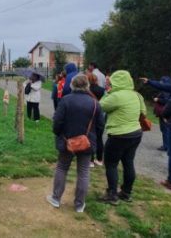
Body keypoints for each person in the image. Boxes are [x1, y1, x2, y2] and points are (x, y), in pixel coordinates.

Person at [47, 74, 105, 213]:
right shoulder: (95, 103)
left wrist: (58, 134)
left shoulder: (66, 100)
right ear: (87, 86)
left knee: (62, 168)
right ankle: (79, 205)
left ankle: (56, 198)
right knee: (83, 173)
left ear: (72, 85)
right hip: (87, 142)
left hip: (67, 141)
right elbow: (100, 125)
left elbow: (57, 121)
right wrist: (94, 138)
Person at [98, 70, 145, 205]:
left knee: (111, 164)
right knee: (128, 162)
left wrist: (107, 92)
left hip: (119, 135)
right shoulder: (136, 95)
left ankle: (112, 194)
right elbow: (143, 112)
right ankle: (126, 192)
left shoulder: (116, 96)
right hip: (136, 133)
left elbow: (101, 106)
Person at [140, 76, 171, 151]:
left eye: (162, 82)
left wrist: (158, 99)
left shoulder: (166, 91)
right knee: (165, 129)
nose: (160, 83)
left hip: (165, 113)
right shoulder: (167, 90)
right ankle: (167, 145)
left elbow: (166, 101)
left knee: (165, 129)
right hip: (165, 112)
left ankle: (166, 146)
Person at [86, 72, 106, 166]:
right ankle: (99, 159)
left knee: (90, 137)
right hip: (100, 115)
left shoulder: (87, 90)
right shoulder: (102, 90)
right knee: (99, 138)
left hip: (90, 114)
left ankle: (90, 160)